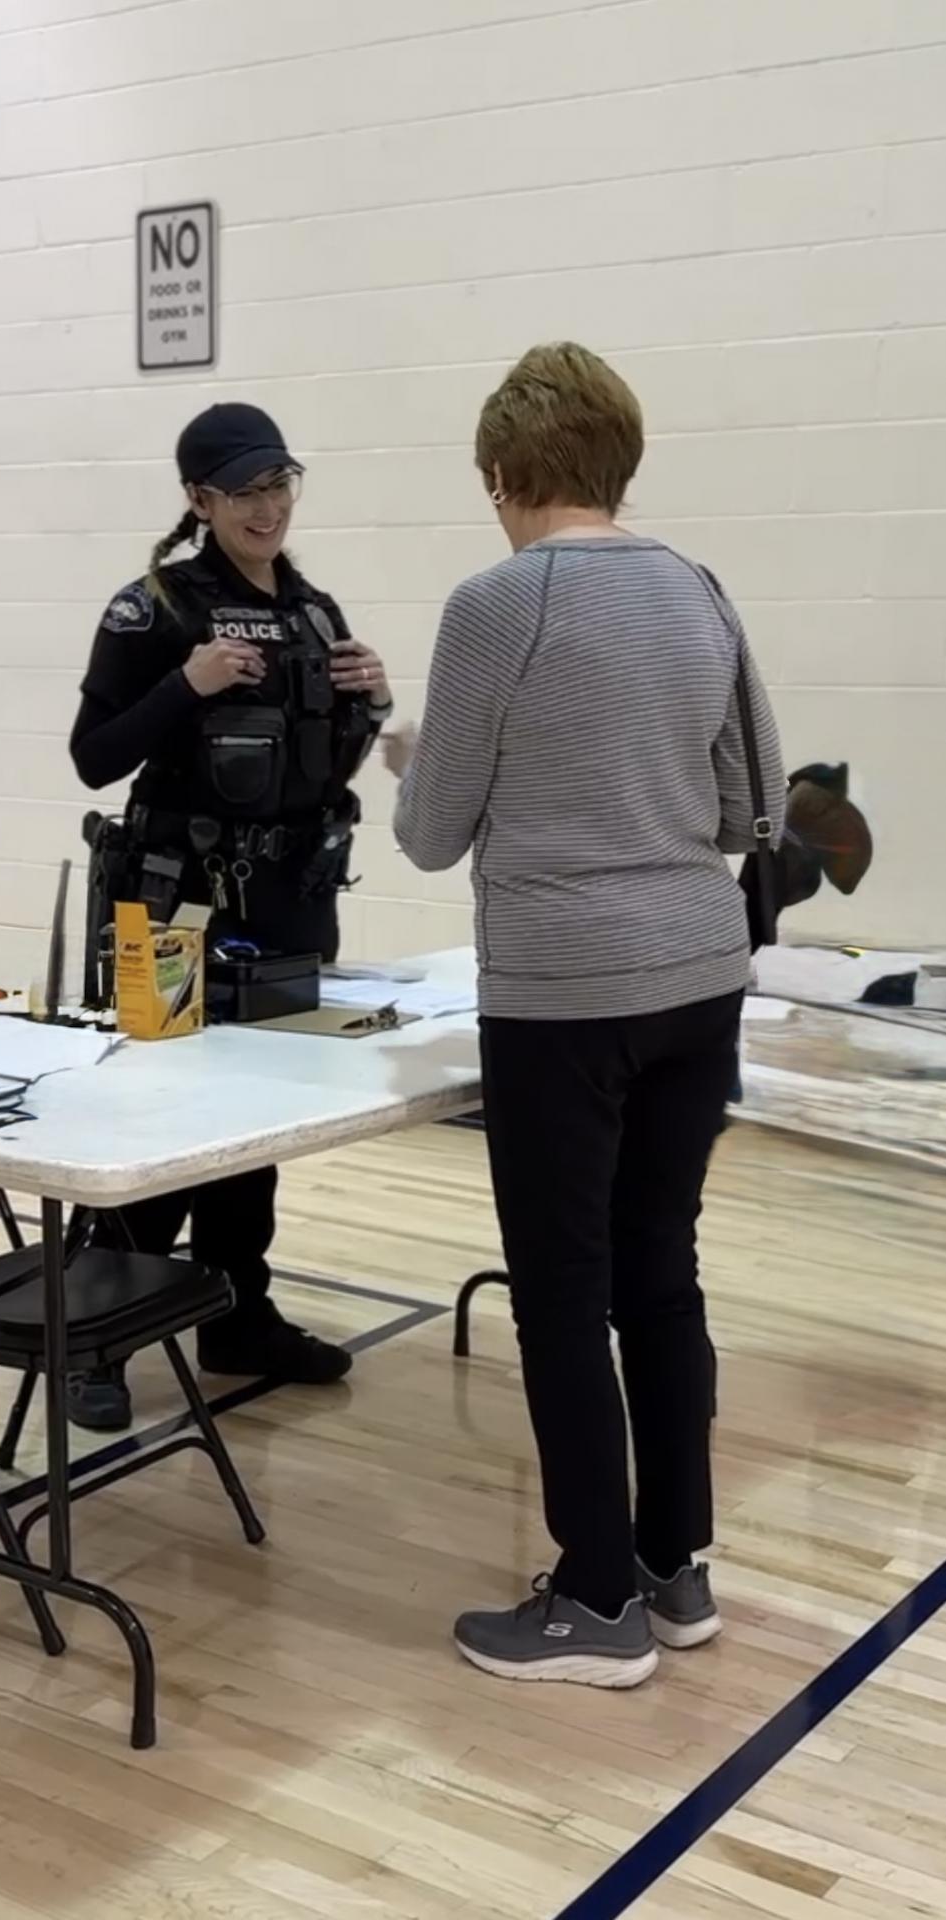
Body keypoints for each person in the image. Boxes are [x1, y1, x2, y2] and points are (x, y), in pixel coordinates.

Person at [386, 343, 786, 1689]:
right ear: (618, 461)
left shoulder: (496, 603)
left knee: (562, 1296)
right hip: (698, 971)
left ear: (506, 471)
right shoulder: (700, 591)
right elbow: (744, 805)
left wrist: (426, 760)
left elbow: (435, 835)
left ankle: (596, 1605)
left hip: (565, 989)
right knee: (657, 1278)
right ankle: (676, 1573)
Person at [69, 402, 393, 1431]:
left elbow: (317, 763)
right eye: (245, 491)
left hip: (288, 903)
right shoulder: (151, 609)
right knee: (152, 1114)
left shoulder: (312, 607)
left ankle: (235, 1309)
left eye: (279, 485)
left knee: (254, 1120)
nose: (268, 507)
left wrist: (368, 702)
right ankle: (98, 1332)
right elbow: (94, 755)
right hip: (167, 905)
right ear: (199, 501)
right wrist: (184, 683)